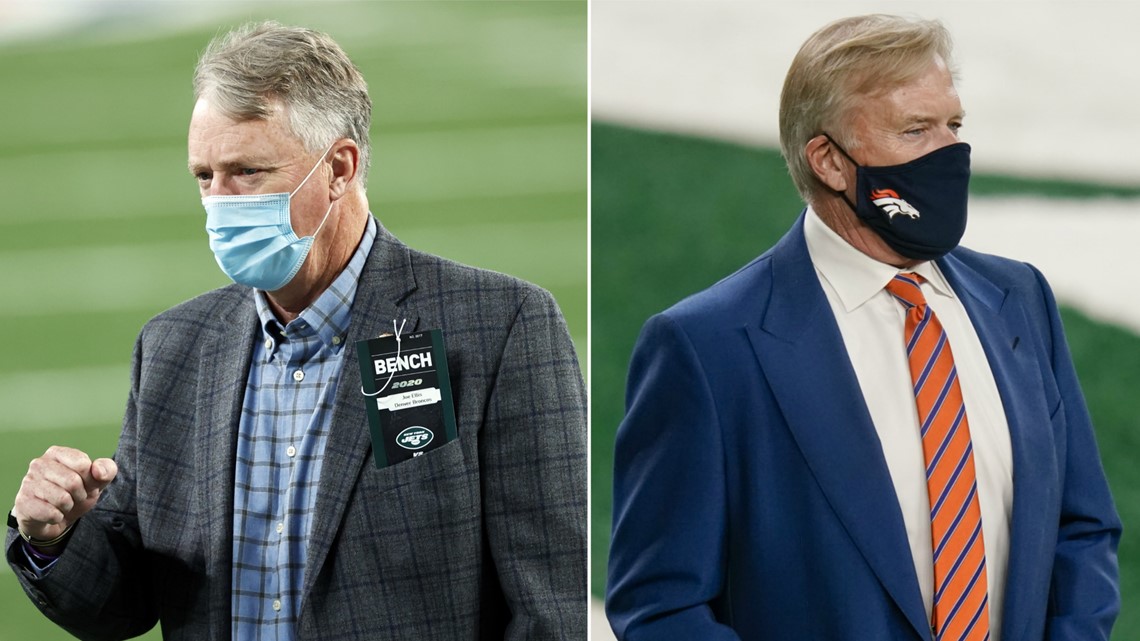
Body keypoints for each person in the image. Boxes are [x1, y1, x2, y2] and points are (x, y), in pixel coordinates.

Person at [6, 21, 586, 640]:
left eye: (247, 173)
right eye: (205, 177)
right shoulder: (173, 348)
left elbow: (551, 606)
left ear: (339, 168)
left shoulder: (499, 328)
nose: (220, 202)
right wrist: (56, 537)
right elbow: (127, 601)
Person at [606, 14, 1120, 641]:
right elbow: (661, 608)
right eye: (915, 130)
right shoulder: (707, 347)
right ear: (829, 161)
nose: (950, 152)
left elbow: (1081, 528)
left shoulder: (1019, 300)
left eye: (953, 125)